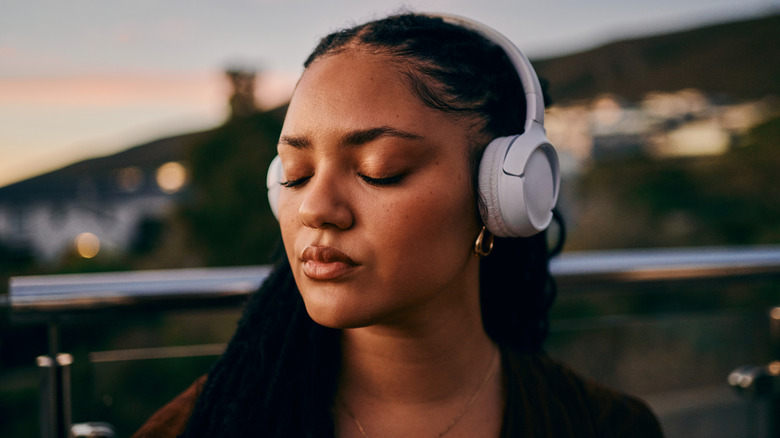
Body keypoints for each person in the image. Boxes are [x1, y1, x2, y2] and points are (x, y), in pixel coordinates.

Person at [133, 12, 663, 438]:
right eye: (296, 175)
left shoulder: (607, 426)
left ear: (505, 195)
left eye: (378, 171)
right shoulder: (197, 425)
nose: (316, 208)